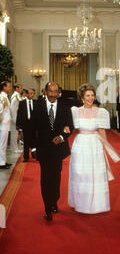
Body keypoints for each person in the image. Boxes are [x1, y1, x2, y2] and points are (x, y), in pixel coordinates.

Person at [68, 83, 120, 214]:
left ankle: (97, 205)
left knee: (96, 174)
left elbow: (102, 131)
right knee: (81, 173)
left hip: (95, 145)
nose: (90, 98)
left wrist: (106, 148)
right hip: (80, 145)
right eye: (87, 95)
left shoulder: (101, 112)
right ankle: (80, 203)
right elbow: (69, 127)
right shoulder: (75, 111)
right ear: (82, 97)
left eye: (92, 95)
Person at [31, 82, 74, 221]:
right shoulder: (38, 106)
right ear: (45, 92)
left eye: (56, 91)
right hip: (43, 148)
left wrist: (62, 137)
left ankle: (54, 200)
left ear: (58, 92)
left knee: (56, 177)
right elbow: (32, 129)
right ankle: (47, 207)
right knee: (45, 178)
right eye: (51, 91)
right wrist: (33, 147)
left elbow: (70, 126)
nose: (53, 94)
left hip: (58, 149)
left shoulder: (65, 107)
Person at [16, 88, 37, 162]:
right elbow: (19, 114)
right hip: (25, 124)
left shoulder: (35, 102)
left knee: (34, 139)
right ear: (27, 94)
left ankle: (34, 153)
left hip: (34, 124)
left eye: (33, 94)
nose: (32, 95)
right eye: (30, 93)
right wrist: (19, 125)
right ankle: (26, 157)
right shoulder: (22, 103)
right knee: (26, 141)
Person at [0, 81, 12, 170]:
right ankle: (1, 162)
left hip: (5, 124)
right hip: (3, 124)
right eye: (8, 86)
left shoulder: (5, 97)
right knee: (2, 144)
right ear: (4, 87)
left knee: (3, 145)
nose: (10, 88)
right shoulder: (2, 97)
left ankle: (3, 160)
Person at [10, 83, 23, 153]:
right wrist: (15, 120)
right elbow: (13, 109)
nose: (21, 89)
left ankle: (14, 147)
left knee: (15, 134)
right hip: (14, 117)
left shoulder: (17, 95)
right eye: (20, 88)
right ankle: (14, 148)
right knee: (14, 134)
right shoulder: (16, 96)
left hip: (15, 117)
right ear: (16, 88)